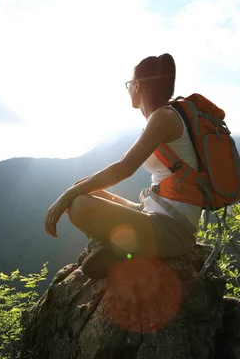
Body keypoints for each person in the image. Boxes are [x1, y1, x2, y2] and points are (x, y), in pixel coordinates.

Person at [43, 53, 201, 279]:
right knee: (84, 188)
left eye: (129, 84)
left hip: (173, 230)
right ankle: (126, 248)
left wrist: (66, 195)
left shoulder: (164, 117)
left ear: (137, 86)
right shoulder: (160, 118)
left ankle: (128, 250)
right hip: (153, 212)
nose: (128, 89)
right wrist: (75, 190)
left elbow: (123, 168)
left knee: (78, 205)